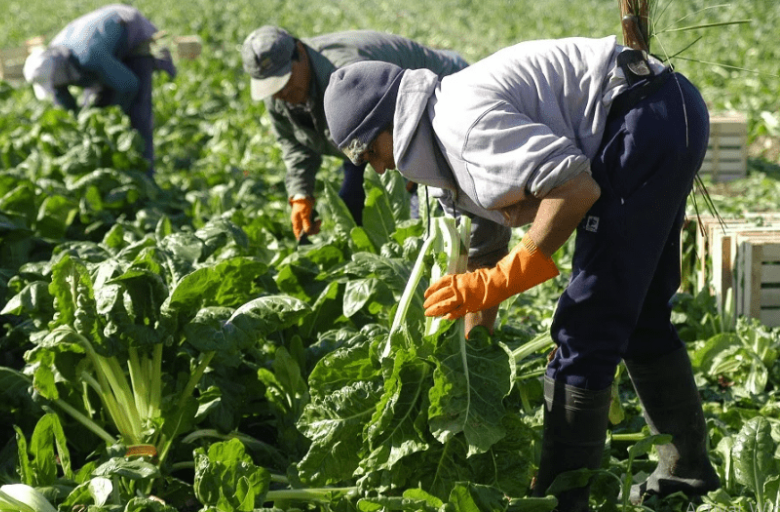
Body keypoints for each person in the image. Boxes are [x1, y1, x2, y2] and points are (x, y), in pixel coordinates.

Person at [323, 36, 720, 510]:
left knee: (585, 328)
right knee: (639, 316)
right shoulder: (440, 137)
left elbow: (574, 189)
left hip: (643, 120)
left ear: (391, 123)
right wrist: (474, 360)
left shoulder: (459, 127)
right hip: (664, 109)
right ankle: (686, 476)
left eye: (370, 153)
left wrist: (512, 273)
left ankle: (560, 500)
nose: (377, 168)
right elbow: (484, 251)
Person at [240, 26, 469, 241]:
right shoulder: (279, 96)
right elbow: (295, 143)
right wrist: (301, 193)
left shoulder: (346, 74)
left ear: (299, 51)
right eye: (272, 87)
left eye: (285, 80)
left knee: (432, 217)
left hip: (439, 102)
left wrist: (410, 175)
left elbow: (400, 123)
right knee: (353, 206)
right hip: (372, 135)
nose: (282, 92)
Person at [23, 4, 177, 176]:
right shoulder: (54, 61)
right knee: (94, 108)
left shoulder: (89, 56)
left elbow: (130, 85)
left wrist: (113, 113)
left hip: (131, 32)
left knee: (138, 113)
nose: (56, 87)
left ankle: (146, 176)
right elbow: (63, 101)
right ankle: (110, 170)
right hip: (103, 47)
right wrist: (76, 127)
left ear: (58, 71)